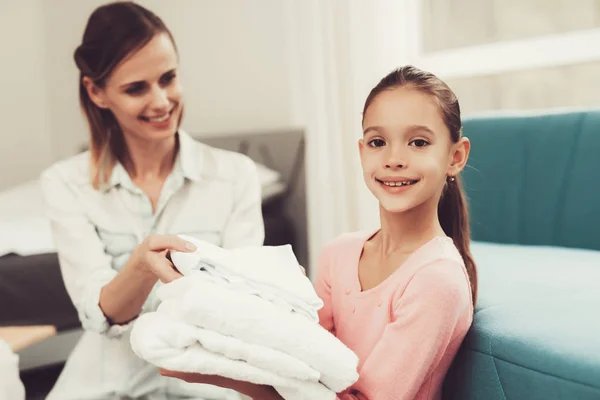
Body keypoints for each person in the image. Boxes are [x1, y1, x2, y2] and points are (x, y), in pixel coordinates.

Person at [162, 65, 476, 400]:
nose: (394, 158)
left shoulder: (436, 279)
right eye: (378, 142)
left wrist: (221, 375)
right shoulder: (338, 254)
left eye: (418, 142)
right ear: (361, 152)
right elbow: (303, 371)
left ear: (455, 157)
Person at [40, 2, 264, 399]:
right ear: (97, 92)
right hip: (107, 386)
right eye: (136, 88)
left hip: (206, 386)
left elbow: (243, 305)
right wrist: (141, 267)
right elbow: (100, 314)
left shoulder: (235, 177)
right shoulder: (64, 184)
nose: (161, 101)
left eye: (168, 78)